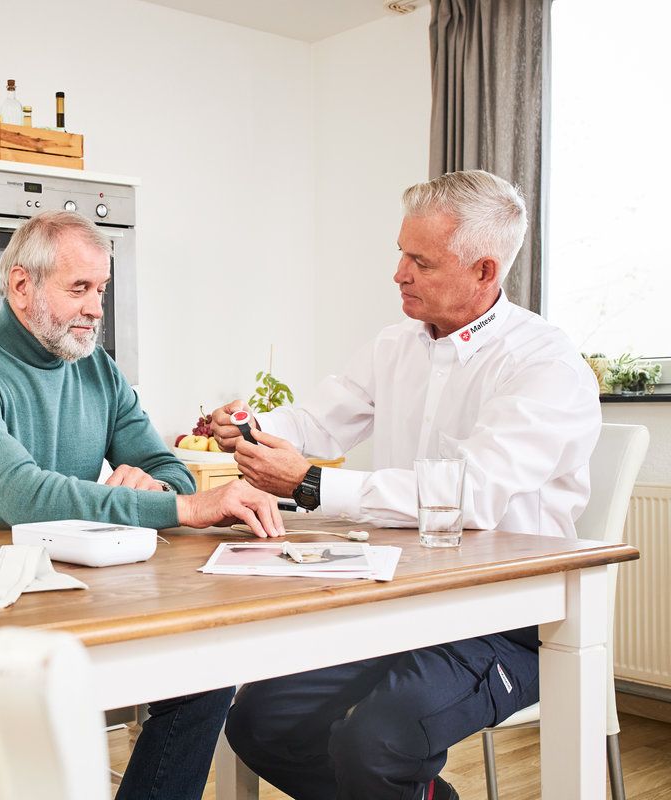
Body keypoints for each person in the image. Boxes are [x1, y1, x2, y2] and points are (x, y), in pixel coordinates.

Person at [212, 170, 601, 800]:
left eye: (419, 260)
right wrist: (249, 429)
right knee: (259, 724)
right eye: (400, 252)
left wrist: (311, 485)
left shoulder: (545, 363)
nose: (398, 273)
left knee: (375, 744)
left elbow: (466, 496)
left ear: (483, 271)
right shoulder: (395, 345)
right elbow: (315, 423)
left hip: (507, 619)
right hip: (401, 603)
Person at [0, 209, 284, 800]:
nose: (95, 309)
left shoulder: (99, 371)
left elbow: (167, 470)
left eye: (101, 290)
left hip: (69, 587)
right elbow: (23, 495)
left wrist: (160, 491)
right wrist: (183, 510)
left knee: (206, 671)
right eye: (79, 288)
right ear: (21, 286)